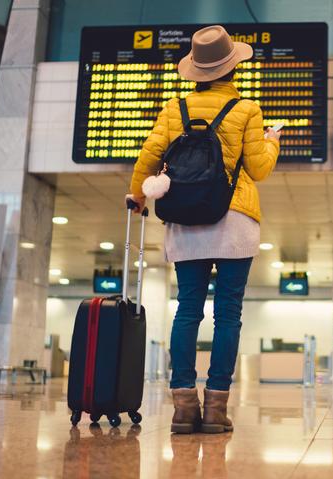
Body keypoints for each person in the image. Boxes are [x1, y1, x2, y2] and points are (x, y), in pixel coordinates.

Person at [126, 25, 280, 434]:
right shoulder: (247, 109)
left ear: (195, 71)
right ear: (233, 68)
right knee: (228, 314)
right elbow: (259, 168)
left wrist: (137, 196)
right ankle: (215, 409)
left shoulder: (174, 108)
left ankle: (182, 408)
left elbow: (150, 154)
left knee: (188, 310)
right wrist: (272, 141)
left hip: (187, 218)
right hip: (234, 218)